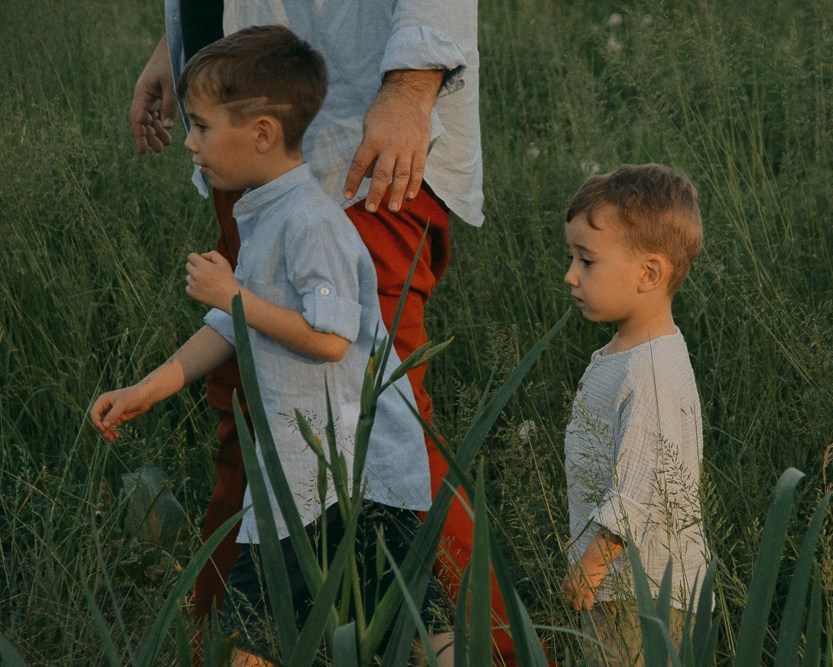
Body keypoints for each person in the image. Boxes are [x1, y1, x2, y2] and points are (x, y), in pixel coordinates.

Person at [129, 2, 517, 662]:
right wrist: (178, 47)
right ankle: (234, 639)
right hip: (252, 122)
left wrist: (410, 84)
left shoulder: (314, 209)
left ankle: (496, 651)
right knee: (253, 417)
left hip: (362, 145)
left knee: (377, 421)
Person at [93, 25, 435, 665]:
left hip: (353, 478)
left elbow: (330, 340)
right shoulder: (265, 212)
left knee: (390, 626)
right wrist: (148, 390)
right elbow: (229, 332)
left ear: (262, 135)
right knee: (280, 628)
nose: (189, 144)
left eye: (200, 127)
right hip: (297, 474)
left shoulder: (312, 222)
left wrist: (232, 296)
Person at [559, 164, 711, 665]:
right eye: (572, 257)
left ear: (649, 273)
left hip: (645, 593)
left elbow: (640, 485)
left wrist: (594, 562)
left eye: (587, 261)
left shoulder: (650, 370)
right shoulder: (626, 352)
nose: (571, 275)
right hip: (622, 586)